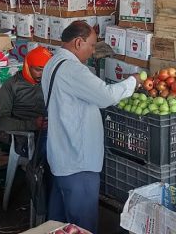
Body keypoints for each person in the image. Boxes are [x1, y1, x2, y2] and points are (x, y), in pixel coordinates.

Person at [42, 21, 137, 233]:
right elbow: (106, 96)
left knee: (58, 224)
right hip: (78, 161)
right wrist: (133, 81)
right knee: (81, 226)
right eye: (92, 45)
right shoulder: (73, 69)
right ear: (78, 42)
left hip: (61, 156)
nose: (93, 51)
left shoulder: (53, 62)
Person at [0, 46, 51, 134]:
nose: (42, 74)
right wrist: (32, 124)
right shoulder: (11, 85)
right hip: (23, 136)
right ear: (27, 66)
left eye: (46, 70)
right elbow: (1, 122)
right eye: (38, 70)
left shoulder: (50, 83)